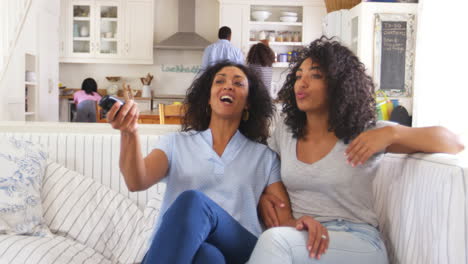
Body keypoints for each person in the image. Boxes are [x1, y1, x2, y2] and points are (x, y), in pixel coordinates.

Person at [247, 37, 464, 264]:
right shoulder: (286, 132)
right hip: (304, 235)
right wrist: (264, 197)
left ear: (338, 84)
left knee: (275, 241)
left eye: (316, 75)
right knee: (274, 240)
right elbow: (266, 169)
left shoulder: (363, 132)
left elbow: (453, 142)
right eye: (299, 76)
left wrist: (393, 133)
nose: (302, 83)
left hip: (356, 239)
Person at [106, 61, 287, 263]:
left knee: (193, 201)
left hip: (240, 250)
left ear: (248, 103)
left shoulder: (264, 157)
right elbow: (135, 181)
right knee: (208, 256)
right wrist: (129, 132)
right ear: (208, 98)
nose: (228, 86)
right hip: (183, 250)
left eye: (238, 83)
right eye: (220, 81)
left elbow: (284, 222)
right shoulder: (176, 143)